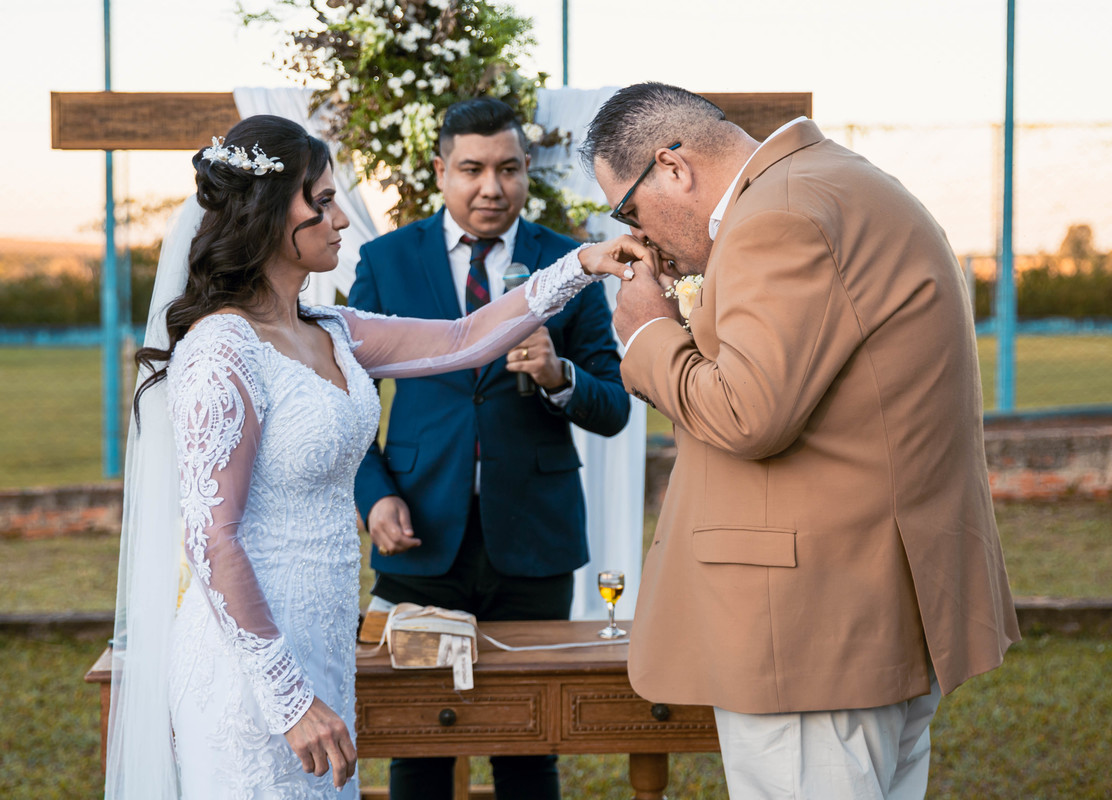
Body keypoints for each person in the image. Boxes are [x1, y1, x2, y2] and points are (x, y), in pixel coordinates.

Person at [105, 113, 646, 800]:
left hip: (326, 644)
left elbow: (463, 339)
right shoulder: (220, 351)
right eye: (323, 202)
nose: (340, 220)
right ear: (268, 214)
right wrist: (289, 699)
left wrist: (582, 263)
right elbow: (212, 538)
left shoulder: (332, 329)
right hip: (253, 668)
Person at [579, 83, 1021, 799]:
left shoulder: (776, 218)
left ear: (673, 167)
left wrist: (648, 334)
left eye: (629, 210)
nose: (641, 234)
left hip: (809, 626)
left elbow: (748, 413)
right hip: (870, 601)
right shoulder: (839, 181)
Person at [348, 97, 630, 800]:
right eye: (472, 169)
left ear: (528, 169)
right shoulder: (385, 260)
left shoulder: (567, 263)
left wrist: (560, 377)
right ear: (440, 171)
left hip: (534, 542)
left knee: (527, 743)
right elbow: (346, 410)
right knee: (419, 743)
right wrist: (374, 496)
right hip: (419, 544)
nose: (491, 187)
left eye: (508, 169)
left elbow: (615, 406)